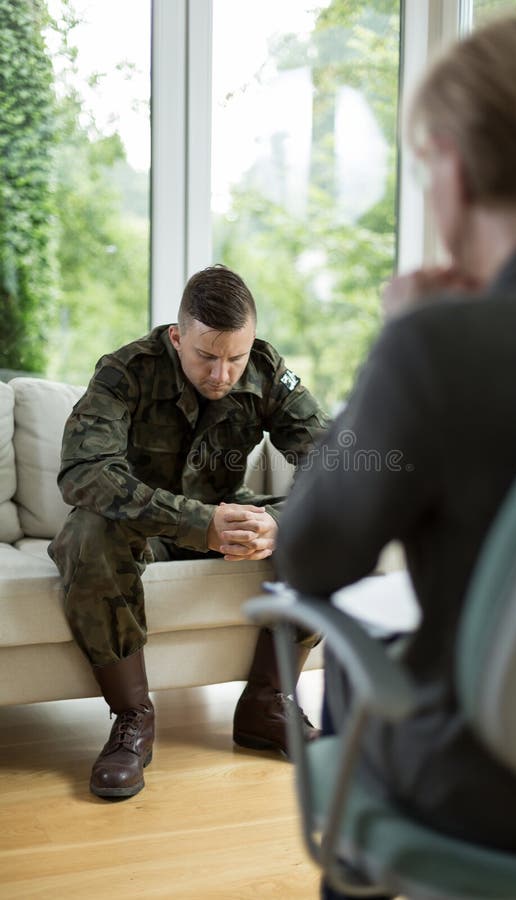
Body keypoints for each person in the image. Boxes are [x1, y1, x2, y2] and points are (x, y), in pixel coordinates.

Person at [275, 13, 516, 899]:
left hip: (488, 797)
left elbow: (308, 557)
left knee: (350, 662)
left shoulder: (440, 351)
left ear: (451, 166)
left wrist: (400, 339)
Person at [48, 264, 329, 800]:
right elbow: (83, 473)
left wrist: (280, 524)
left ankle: (267, 706)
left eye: (235, 357)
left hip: (226, 512)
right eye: (206, 355)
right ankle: (132, 719)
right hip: (144, 525)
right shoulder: (125, 371)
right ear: (177, 337)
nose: (222, 374)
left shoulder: (268, 370)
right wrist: (199, 524)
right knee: (88, 533)